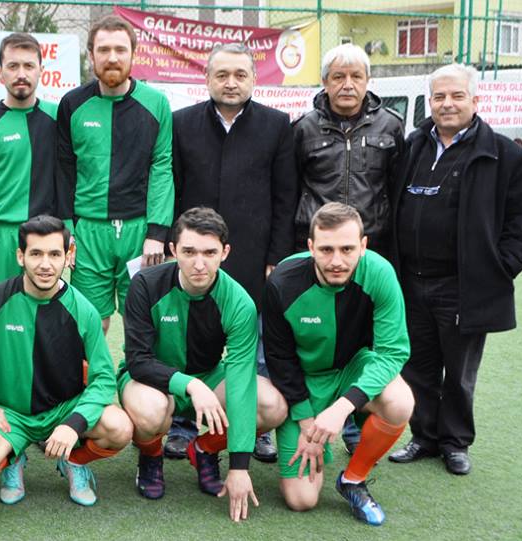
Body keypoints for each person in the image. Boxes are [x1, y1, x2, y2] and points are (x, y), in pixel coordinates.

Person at [388, 64, 522, 475]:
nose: (447, 104)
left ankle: (455, 442)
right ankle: (424, 436)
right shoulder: (413, 146)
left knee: (459, 372)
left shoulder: (504, 155)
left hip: (463, 285)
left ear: (475, 100)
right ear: (430, 102)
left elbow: (521, 218)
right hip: (411, 282)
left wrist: (502, 267)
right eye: (439, 97)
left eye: (456, 96)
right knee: (417, 367)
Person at [171, 42, 298, 463]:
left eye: (240, 75)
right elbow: (172, 189)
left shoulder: (277, 125)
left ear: (254, 79)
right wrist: (176, 249)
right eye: (222, 74)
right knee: (190, 342)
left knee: (259, 344)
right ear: (207, 78)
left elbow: (285, 197)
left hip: (255, 255)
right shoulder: (181, 123)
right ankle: (182, 424)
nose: (230, 83)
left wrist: (277, 257)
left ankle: (256, 427)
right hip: (196, 257)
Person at [120, 207, 287, 522]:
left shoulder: (239, 302)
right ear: (173, 251)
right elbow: (138, 361)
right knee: (151, 410)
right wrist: (190, 385)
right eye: (189, 252)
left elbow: (241, 382)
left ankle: (205, 449)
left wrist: (239, 467)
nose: (199, 264)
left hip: (210, 377)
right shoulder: (145, 284)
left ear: (225, 252)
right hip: (151, 381)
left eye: (209, 253)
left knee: (272, 406)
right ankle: (151, 455)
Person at [0, 215, 132, 507]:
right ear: (21, 256)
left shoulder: (84, 310)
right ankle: (13, 456)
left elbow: (104, 378)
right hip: (8, 414)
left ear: (68, 255)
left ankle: (74, 461)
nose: (45, 264)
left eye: (54, 254)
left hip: (64, 410)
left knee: (120, 427)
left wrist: (73, 424)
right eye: (36, 254)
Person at [263, 202, 414, 526]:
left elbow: (392, 352)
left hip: (351, 370)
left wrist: (342, 408)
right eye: (326, 249)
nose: (336, 261)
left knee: (400, 401)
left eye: (347, 249)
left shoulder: (380, 273)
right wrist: (309, 425)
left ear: (363, 245)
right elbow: (280, 360)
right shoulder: (283, 282)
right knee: (301, 500)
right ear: (310, 247)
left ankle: (353, 479)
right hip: (304, 382)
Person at [292, 43, 404, 452]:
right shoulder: (304, 128)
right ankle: (300, 412)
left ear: (368, 81)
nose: (347, 84)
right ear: (324, 82)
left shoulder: (391, 126)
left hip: (369, 252)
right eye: (338, 76)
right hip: (320, 256)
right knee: (317, 336)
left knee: (367, 339)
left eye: (356, 76)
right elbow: (291, 190)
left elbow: (396, 191)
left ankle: (357, 419)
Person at [57, 14, 174, 333]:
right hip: (89, 232)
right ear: (91, 55)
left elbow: (162, 167)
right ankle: (93, 371)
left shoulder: (156, 103)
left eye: (120, 49)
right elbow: (64, 170)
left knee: (144, 324)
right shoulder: (72, 104)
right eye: (104, 49)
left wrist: (157, 233)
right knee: (91, 323)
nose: (112, 57)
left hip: (139, 231)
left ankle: (137, 370)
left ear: (134, 54)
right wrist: (67, 230)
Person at [0, 33, 57, 296]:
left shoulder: (58, 118)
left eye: (29, 66)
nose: (21, 74)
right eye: (13, 66)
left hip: (44, 235)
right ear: (0, 72)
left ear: (41, 70)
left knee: (42, 314)